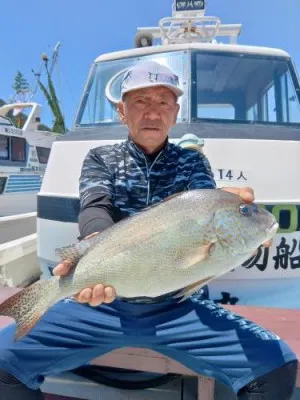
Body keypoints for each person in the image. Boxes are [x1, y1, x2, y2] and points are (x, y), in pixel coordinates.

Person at [0, 61, 297, 400]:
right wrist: (91, 249)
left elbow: (206, 211)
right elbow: (95, 206)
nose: (152, 113)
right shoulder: (101, 158)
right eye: (140, 102)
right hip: (102, 305)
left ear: (175, 112)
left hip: (178, 308)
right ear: (122, 111)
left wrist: (247, 223)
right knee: (3, 363)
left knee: (278, 366)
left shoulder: (193, 163)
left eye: (162, 102)